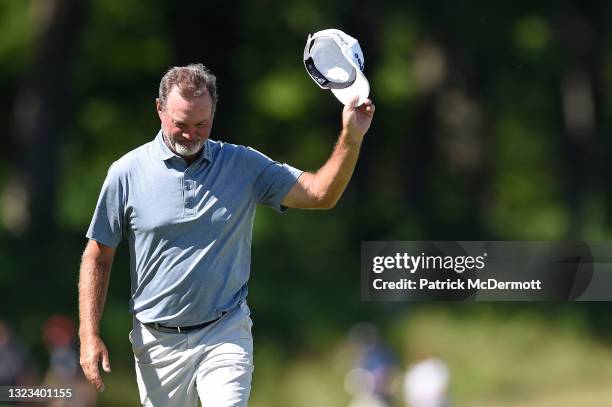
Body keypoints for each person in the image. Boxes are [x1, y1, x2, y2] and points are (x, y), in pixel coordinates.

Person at [78, 63, 375, 406]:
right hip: (156, 342)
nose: (191, 134)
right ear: (159, 110)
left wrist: (352, 138)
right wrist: (89, 334)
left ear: (213, 113)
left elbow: (320, 194)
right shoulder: (126, 173)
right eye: (180, 124)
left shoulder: (242, 165)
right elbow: (98, 253)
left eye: (201, 124)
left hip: (224, 331)